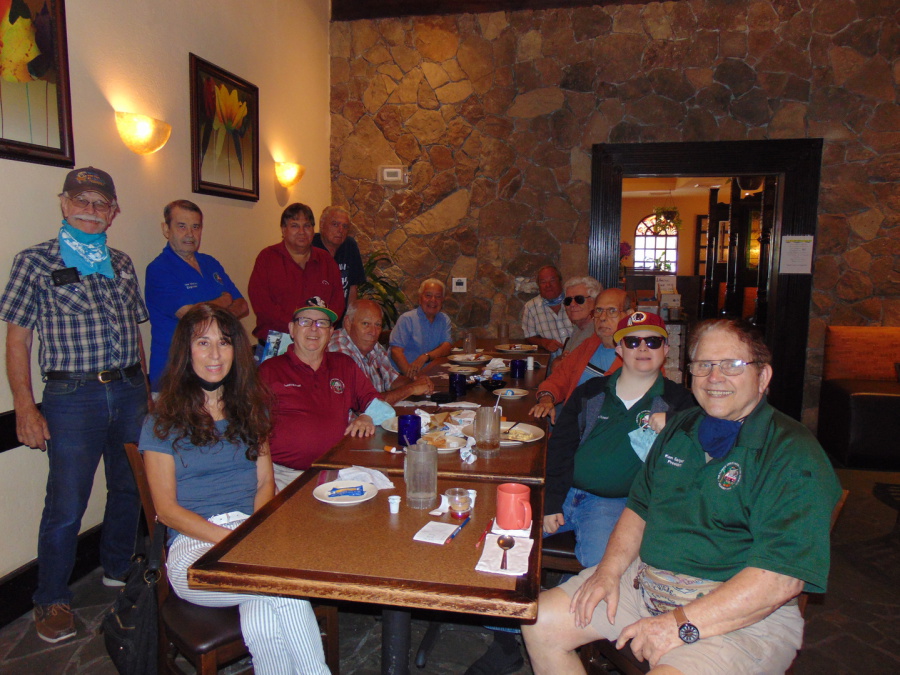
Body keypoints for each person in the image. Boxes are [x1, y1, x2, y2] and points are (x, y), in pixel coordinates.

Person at [523, 319, 842, 675]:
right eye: (703, 365)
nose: (714, 377)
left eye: (732, 365)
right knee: (539, 622)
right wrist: (608, 572)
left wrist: (678, 623)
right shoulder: (681, 426)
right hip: (646, 584)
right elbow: (638, 508)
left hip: (736, 615)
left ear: (763, 376)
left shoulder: (792, 453)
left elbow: (780, 579)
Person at [0, 167, 149, 643]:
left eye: (101, 203)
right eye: (81, 200)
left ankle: (117, 566)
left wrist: (145, 391)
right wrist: (25, 407)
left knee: (128, 486)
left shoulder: (121, 262)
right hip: (72, 398)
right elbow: (18, 341)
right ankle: (51, 597)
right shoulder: (34, 262)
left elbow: (135, 333)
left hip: (128, 389)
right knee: (66, 503)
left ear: (114, 212)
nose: (91, 210)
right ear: (64, 204)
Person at [139, 304, 329, 675]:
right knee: (281, 583)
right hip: (193, 549)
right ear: (186, 352)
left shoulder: (251, 409)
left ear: (235, 350)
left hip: (248, 535)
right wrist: (233, 540)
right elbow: (167, 510)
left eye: (224, 342)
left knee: (264, 615)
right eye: (203, 343)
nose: (215, 354)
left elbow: (265, 483)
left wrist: (253, 535)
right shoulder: (162, 420)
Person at [544, 312, 695, 567]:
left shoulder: (679, 401)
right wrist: (551, 502)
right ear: (619, 350)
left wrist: (675, 421)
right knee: (503, 533)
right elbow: (560, 448)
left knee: (603, 567)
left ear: (666, 349)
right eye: (632, 342)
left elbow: (711, 430)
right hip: (564, 490)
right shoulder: (591, 391)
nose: (643, 348)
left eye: (653, 341)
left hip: (613, 504)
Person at [259, 297, 394, 490]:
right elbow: (252, 429)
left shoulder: (344, 365)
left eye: (322, 323)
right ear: (292, 329)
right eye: (305, 321)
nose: (314, 329)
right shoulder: (269, 371)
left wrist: (367, 416)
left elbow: (384, 409)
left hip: (339, 471)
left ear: (330, 332)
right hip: (285, 477)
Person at [145, 199, 248, 390]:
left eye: (195, 227)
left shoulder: (210, 263)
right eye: (181, 226)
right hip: (175, 374)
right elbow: (190, 315)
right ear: (166, 229)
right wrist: (224, 301)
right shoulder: (159, 269)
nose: (190, 234)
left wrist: (213, 312)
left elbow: (242, 304)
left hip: (216, 371)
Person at [530, 289, 631, 424]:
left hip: (601, 428)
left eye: (612, 311)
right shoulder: (592, 343)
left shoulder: (637, 357)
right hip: (571, 419)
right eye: (598, 310)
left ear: (629, 315)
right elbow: (561, 376)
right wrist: (546, 398)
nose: (602, 317)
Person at [248, 203, 345, 343]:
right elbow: (262, 305)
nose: (301, 231)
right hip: (277, 340)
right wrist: (300, 327)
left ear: (313, 230)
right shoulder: (267, 258)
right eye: (294, 226)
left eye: (307, 226)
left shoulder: (326, 261)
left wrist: (314, 327)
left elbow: (337, 305)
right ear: (283, 230)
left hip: (316, 340)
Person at [329, 299, 434, 404]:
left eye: (378, 325)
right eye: (365, 324)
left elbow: (392, 380)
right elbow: (366, 403)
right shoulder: (338, 351)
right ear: (348, 323)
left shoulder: (373, 345)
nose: (373, 332)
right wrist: (411, 389)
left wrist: (417, 381)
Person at [389, 278, 453, 379]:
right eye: (428, 295)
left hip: (430, 374)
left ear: (442, 300)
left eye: (438, 296)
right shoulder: (407, 319)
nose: (433, 300)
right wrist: (411, 377)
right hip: (401, 375)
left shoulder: (444, 319)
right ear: (419, 299)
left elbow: (446, 347)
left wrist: (426, 357)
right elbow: (396, 351)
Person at [312, 206, 365, 311]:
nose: (340, 230)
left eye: (345, 226)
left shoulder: (350, 246)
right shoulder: (310, 246)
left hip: (340, 316)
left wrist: (349, 316)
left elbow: (352, 287)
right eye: (335, 224)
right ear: (322, 224)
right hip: (314, 315)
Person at [521, 266, 573, 359]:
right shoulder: (531, 307)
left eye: (552, 280)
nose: (548, 285)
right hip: (553, 362)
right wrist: (544, 342)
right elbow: (529, 336)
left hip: (580, 358)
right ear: (538, 285)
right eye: (543, 282)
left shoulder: (574, 301)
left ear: (560, 282)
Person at [554, 276, 603, 364]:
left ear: (595, 301)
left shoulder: (597, 332)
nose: (572, 304)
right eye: (568, 300)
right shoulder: (579, 328)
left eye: (579, 299)